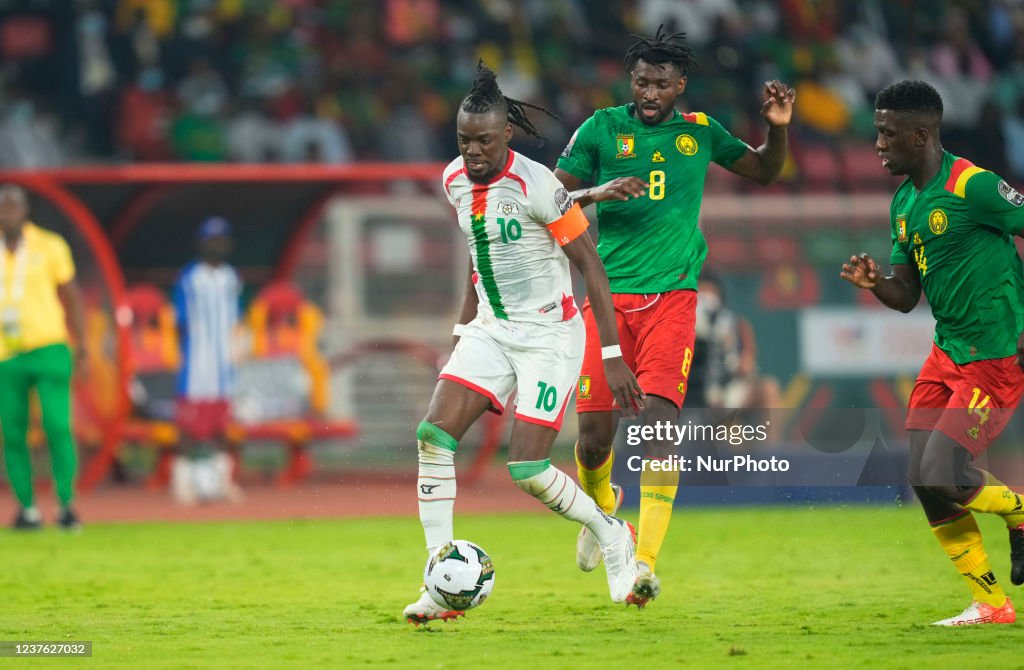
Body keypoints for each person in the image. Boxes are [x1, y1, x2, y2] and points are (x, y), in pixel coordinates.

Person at [554, 26, 795, 606]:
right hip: (607, 299)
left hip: (673, 302)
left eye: (661, 83)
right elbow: (551, 198)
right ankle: (605, 516)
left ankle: (642, 565)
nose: (650, 92)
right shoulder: (602, 129)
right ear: (630, 81)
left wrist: (778, 130)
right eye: (641, 82)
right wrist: (599, 191)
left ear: (680, 85)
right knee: (591, 442)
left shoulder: (701, 133)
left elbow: (765, 171)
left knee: (660, 430)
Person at [403, 62, 646, 625]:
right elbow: (479, 249)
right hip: (491, 330)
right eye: (464, 141)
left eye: (484, 141)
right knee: (431, 437)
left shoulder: (537, 182)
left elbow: (592, 269)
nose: (473, 153)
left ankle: (611, 532)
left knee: (528, 470)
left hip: (548, 337)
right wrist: (463, 334)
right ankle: (438, 581)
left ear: (506, 135)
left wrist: (610, 357)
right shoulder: (453, 180)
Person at [840, 80, 1024, 626]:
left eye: (887, 134)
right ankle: (991, 603)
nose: (878, 144)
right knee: (924, 479)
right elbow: (906, 296)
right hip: (945, 355)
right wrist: (876, 283)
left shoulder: (974, 186)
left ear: (921, 135)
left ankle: (1018, 510)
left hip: (992, 358)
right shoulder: (904, 202)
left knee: (943, 473)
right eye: (877, 132)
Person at [0, 184, 87, 531]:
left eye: (13, 206)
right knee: (13, 432)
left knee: (57, 426)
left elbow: (72, 296)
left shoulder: (49, 246)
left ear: (25, 211)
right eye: (2, 206)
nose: (8, 212)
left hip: (49, 345)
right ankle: (27, 508)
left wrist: (81, 345)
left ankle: (66, 503)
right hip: (6, 354)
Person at [170, 216, 243, 505]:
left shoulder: (231, 278)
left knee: (222, 428)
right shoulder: (190, 278)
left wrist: (236, 352)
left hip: (223, 367)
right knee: (187, 428)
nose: (218, 245)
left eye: (221, 239)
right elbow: (180, 322)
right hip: (196, 367)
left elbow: (235, 320)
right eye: (212, 239)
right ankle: (182, 484)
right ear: (201, 243)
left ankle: (224, 481)